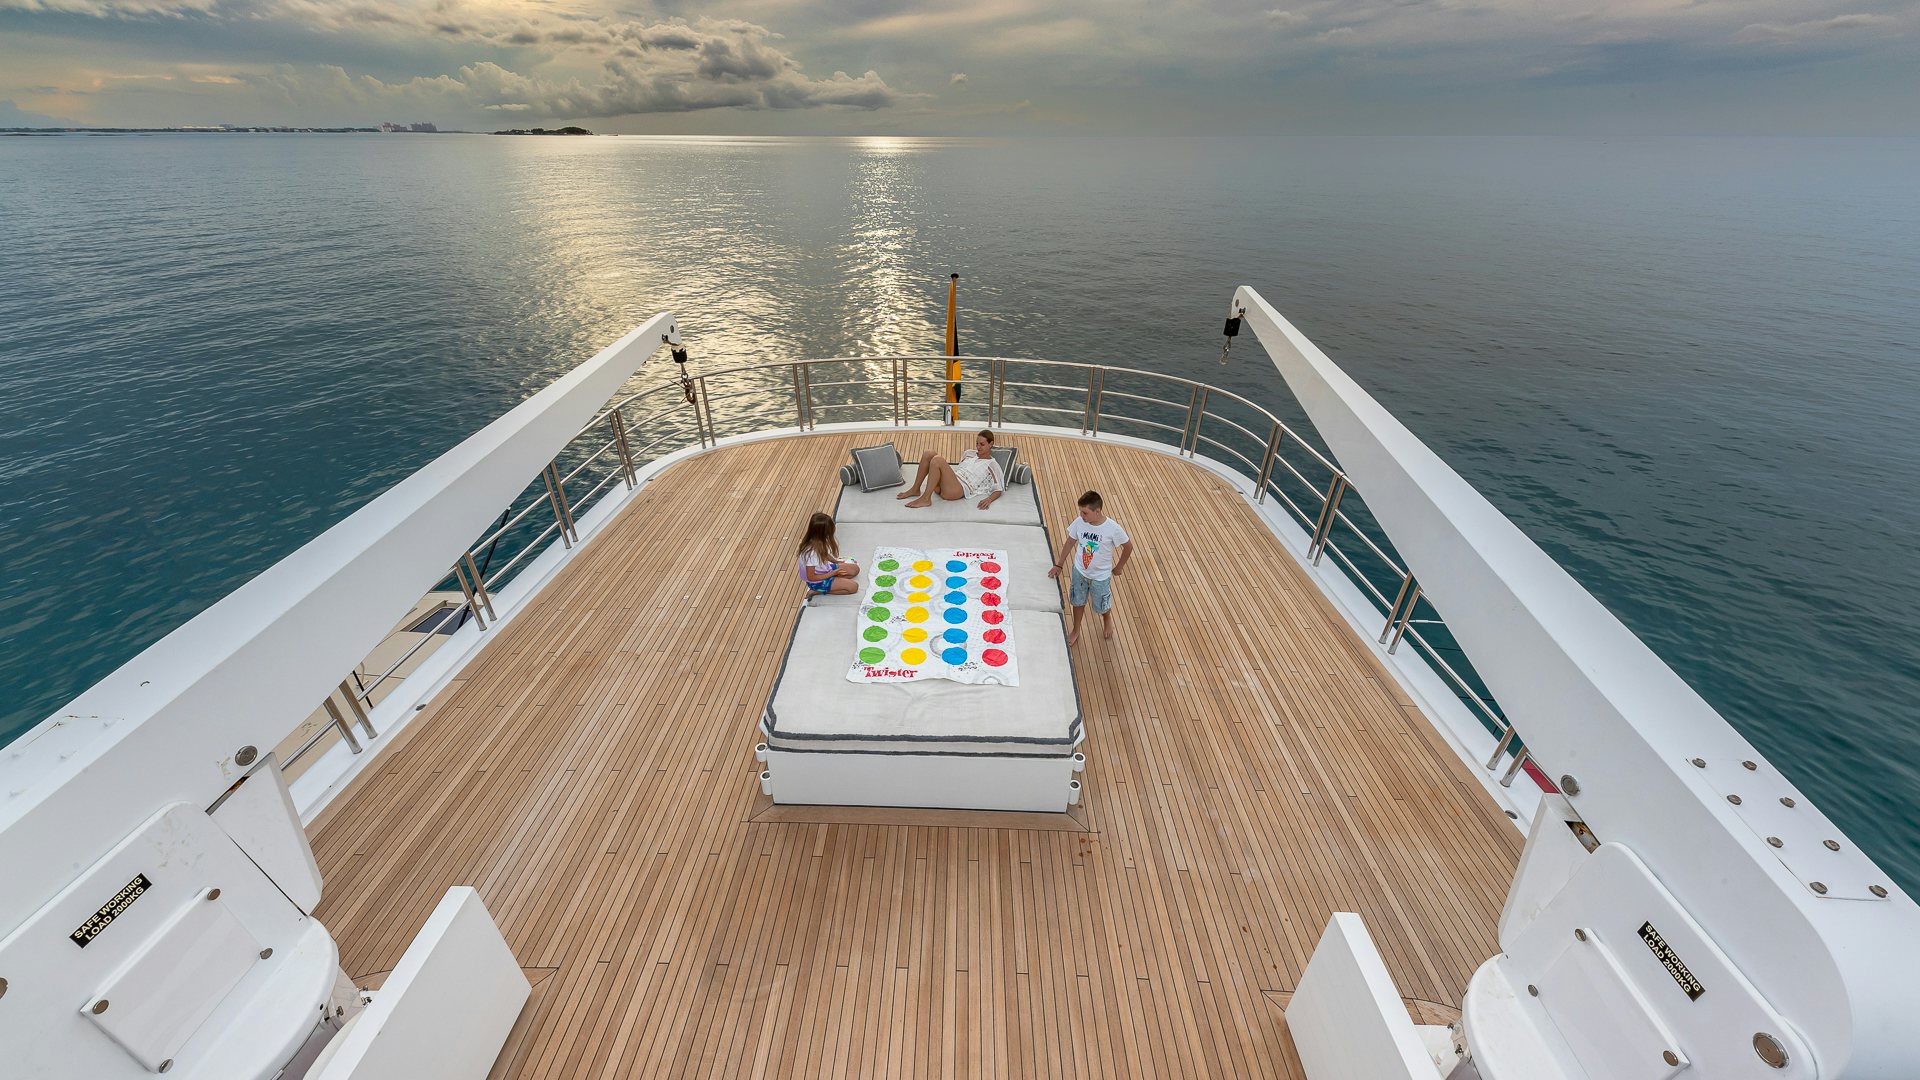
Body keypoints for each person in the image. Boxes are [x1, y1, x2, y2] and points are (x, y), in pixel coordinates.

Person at [1047, 490, 1132, 645]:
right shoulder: (1080, 523)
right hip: (1079, 571)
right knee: (1077, 601)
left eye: (1085, 513)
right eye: (1080, 512)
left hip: (1101, 577)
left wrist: (1119, 567)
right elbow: (1070, 542)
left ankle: (1107, 618)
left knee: (1101, 605)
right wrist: (1059, 564)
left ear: (1097, 511)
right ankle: (1076, 630)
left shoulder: (1113, 528)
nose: (1081, 516)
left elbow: (1128, 546)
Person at [898, 430, 1005, 511]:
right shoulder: (969, 453)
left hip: (958, 489)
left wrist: (989, 500)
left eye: (982, 444)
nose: (978, 447)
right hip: (949, 484)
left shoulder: (992, 464)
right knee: (928, 453)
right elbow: (958, 470)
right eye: (977, 443)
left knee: (937, 460)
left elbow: (998, 489)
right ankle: (915, 489)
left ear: (990, 444)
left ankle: (926, 498)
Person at [796, 512, 860, 596]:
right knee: (854, 587)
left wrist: (837, 562)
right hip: (817, 581)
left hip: (825, 570)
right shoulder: (811, 553)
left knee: (855, 569)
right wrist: (833, 573)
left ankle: (834, 581)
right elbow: (811, 577)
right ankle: (817, 591)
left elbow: (824, 554)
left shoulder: (817, 540)